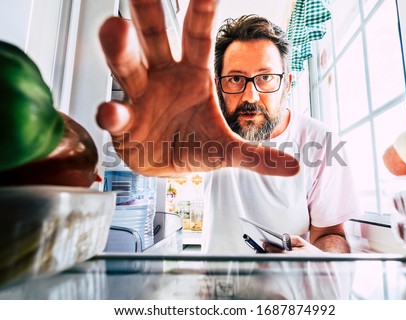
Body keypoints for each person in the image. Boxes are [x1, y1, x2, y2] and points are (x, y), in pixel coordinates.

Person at [96, 0, 361, 254]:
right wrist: (151, 154)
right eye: (235, 79)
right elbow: (171, 164)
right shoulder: (210, 129)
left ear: (287, 83)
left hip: (288, 296)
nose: (250, 96)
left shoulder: (321, 141)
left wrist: (313, 259)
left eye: (266, 77)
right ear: (217, 84)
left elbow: (331, 235)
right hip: (215, 293)